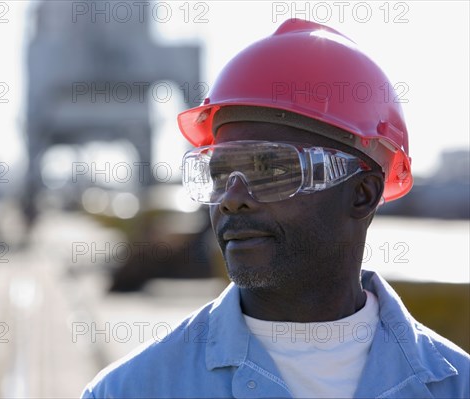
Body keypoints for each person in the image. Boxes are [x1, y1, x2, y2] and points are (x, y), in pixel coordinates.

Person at [81, 19, 469, 398]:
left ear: (363, 193)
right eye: (218, 174)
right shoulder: (127, 390)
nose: (232, 198)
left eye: (270, 170)